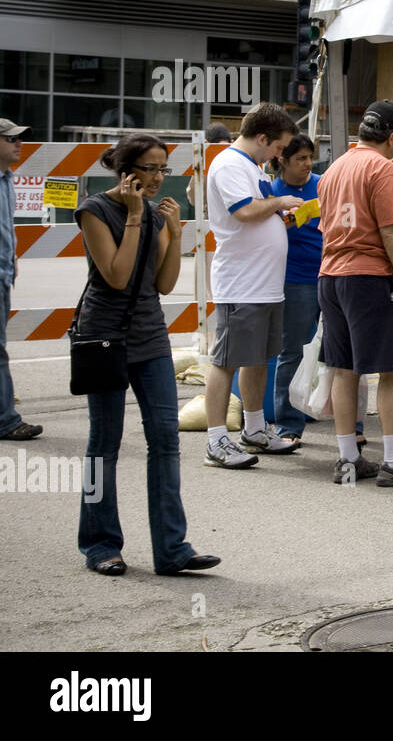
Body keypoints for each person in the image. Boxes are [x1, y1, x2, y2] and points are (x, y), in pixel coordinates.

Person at [74, 134, 219, 576]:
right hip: (104, 336)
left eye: (164, 169)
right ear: (127, 169)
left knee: (165, 440)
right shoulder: (94, 211)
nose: (159, 178)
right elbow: (116, 276)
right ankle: (100, 544)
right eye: (151, 168)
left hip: (149, 335)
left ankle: (172, 549)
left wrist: (173, 234)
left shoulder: (156, 215)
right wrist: (137, 217)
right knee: (105, 443)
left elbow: (164, 283)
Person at [316, 100, 393, 486]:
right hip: (369, 276)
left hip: (331, 275)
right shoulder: (382, 169)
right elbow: (392, 233)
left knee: (344, 369)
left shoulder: (334, 169)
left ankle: (348, 457)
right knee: (392, 368)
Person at [203, 103, 304, 469]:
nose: (280, 156)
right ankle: (216, 441)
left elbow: (257, 215)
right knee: (226, 360)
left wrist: (282, 218)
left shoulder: (251, 166)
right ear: (262, 138)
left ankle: (255, 429)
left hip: (263, 284)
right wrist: (279, 202)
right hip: (242, 284)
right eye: (278, 148)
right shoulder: (230, 164)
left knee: (259, 357)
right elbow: (244, 212)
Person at [269, 134, 365, 447]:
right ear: (283, 159)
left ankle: (353, 424)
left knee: (346, 352)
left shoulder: (324, 183)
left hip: (334, 275)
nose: (308, 164)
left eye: (310, 157)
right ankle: (288, 426)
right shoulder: (273, 192)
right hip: (296, 279)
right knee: (292, 350)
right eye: (300, 159)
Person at [0, 117, 41, 440]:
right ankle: (6, 420)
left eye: (20, 138)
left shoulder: (7, 178)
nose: (18, 143)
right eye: (10, 138)